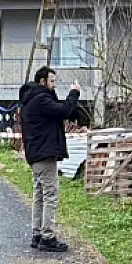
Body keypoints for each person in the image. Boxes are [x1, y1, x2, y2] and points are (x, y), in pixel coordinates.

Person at [18, 66, 85, 252]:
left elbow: (62, 111)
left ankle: (37, 233)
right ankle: (47, 236)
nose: (54, 85)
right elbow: (63, 110)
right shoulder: (40, 99)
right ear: (42, 82)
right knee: (50, 195)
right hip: (44, 153)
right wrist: (74, 93)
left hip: (36, 152)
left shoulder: (32, 99)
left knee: (39, 194)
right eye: (52, 81)